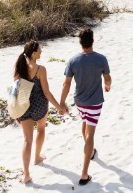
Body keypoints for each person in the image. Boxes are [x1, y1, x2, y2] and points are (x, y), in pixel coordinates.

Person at [60, 28, 111, 187]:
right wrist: (107, 85)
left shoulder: (73, 60)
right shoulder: (101, 59)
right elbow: (107, 78)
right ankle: (84, 173)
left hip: (80, 101)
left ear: (80, 42)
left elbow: (66, 83)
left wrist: (61, 102)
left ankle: (90, 151)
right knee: (90, 133)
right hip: (94, 102)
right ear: (92, 41)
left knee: (84, 122)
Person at [14, 40, 63, 184]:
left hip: (23, 106)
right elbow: (46, 92)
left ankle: (26, 174)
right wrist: (59, 107)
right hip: (39, 106)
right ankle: (37, 157)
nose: (41, 51)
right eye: (40, 50)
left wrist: (17, 112)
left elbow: (15, 92)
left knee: (26, 141)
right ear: (34, 53)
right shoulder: (40, 69)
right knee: (41, 130)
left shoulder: (19, 67)